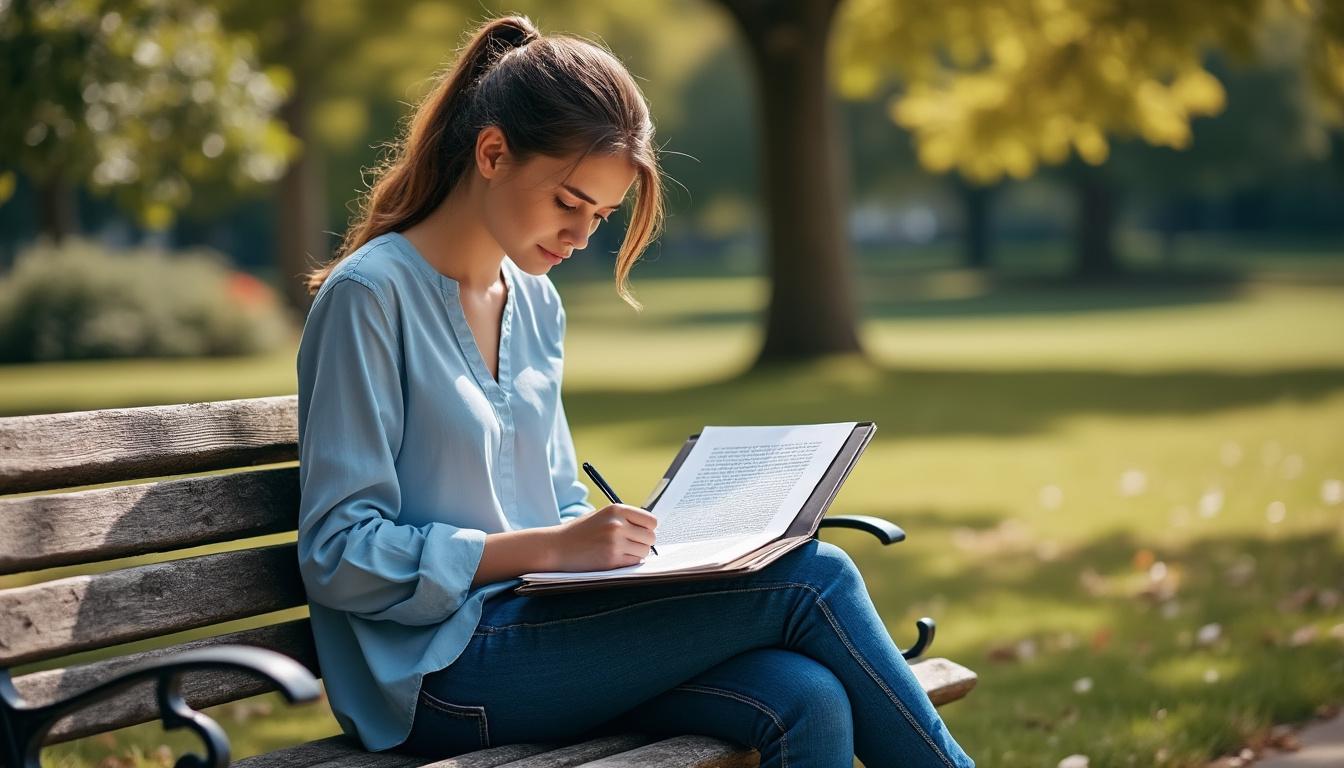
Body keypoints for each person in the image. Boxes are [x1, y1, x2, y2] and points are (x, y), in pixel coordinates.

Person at [296, 14, 975, 768]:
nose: (581, 237)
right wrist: (552, 546)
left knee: (805, 697)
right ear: (493, 152)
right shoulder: (370, 297)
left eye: (601, 216)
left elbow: (553, 503)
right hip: (435, 676)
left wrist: (624, 549)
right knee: (815, 576)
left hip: (539, 634)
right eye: (568, 202)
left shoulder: (534, 302)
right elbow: (338, 553)